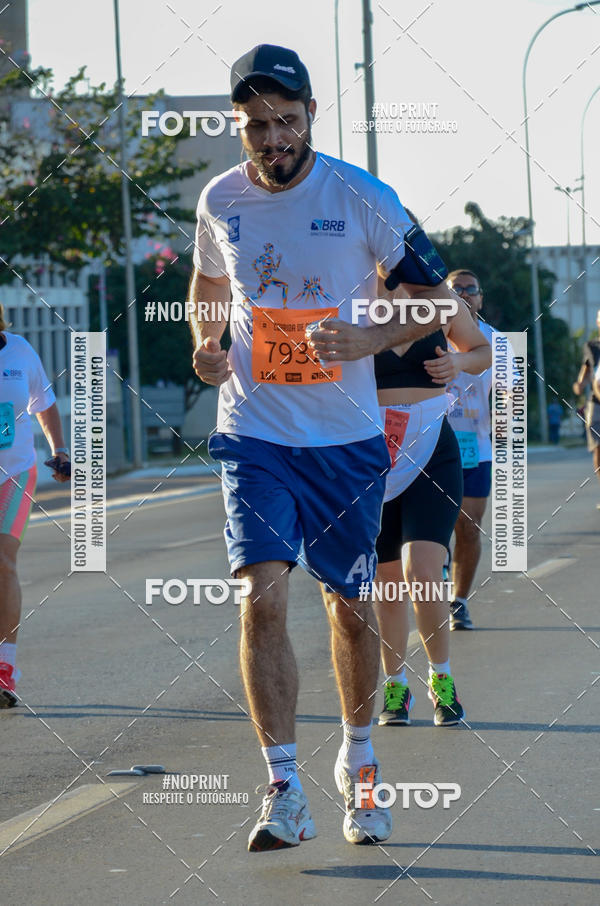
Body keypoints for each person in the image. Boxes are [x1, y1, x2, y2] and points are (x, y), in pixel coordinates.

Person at [189, 44, 461, 851]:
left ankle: (360, 760)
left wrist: (366, 332)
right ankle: (282, 788)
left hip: (345, 440)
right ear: (237, 127)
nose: (272, 139)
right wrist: (207, 342)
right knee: (260, 593)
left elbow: (434, 300)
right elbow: (209, 283)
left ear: (311, 117)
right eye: (255, 126)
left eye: (286, 121)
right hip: (253, 433)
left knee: (348, 611)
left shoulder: (360, 196)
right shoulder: (219, 199)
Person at [373, 277, 491, 727]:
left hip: (430, 451)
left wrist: (458, 362)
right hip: (371, 455)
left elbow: (481, 351)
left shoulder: (437, 299)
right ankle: (396, 686)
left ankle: (441, 679)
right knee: (385, 580)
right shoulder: (353, 294)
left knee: (422, 571)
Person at [0, 303, 70, 707]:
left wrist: (59, 450)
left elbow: (42, 402)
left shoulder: (20, 350)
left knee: (3, 561)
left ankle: (4, 669)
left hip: (15, 472)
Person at [444, 269, 497, 630]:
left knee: (469, 527)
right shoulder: (428, 335)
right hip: (432, 447)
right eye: (455, 289)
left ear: (480, 298)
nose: (463, 294)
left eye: (470, 289)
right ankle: (433, 590)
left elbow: (509, 402)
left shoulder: (497, 341)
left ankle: (459, 601)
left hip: (477, 448)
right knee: (431, 530)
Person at [573, 308, 600, 505]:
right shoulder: (592, 346)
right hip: (596, 403)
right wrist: (579, 385)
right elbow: (586, 370)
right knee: (598, 448)